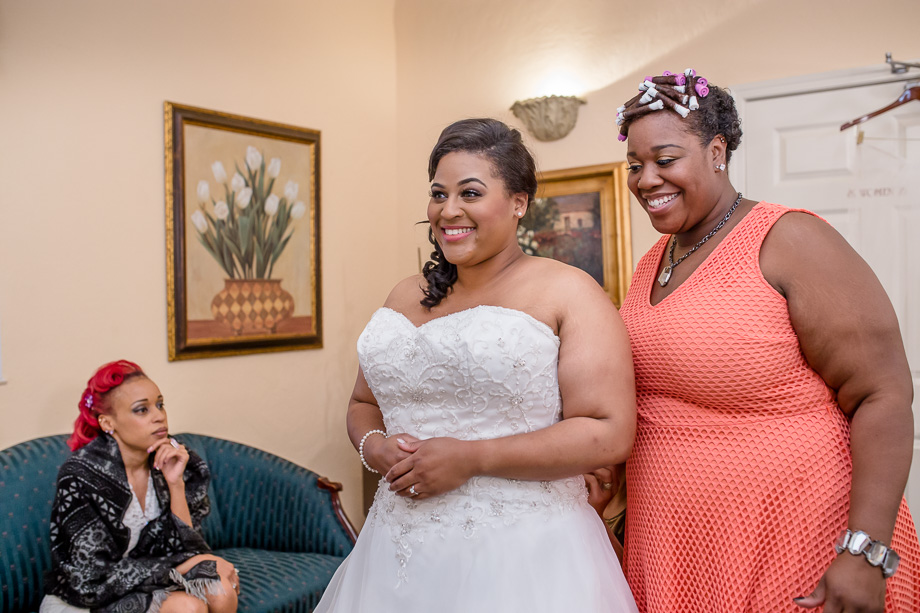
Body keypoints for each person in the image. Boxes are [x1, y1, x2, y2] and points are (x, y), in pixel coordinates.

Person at [613, 69, 920, 612]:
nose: (645, 179)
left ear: (716, 151)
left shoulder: (790, 240)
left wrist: (865, 550)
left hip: (794, 540)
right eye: (635, 165)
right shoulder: (649, 268)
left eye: (665, 160)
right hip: (679, 552)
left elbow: (884, 395)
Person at [315, 118, 639, 612]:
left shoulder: (568, 292)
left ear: (518, 202)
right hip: (395, 553)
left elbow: (608, 432)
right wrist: (373, 446)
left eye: (470, 192)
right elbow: (362, 403)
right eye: (438, 194)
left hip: (522, 554)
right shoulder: (404, 295)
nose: (449, 210)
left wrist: (473, 458)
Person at [41, 360, 240, 613]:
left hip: (148, 580)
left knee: (221, 592)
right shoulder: (81, 476)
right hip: (88, 598)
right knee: (188, 608)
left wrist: (175, 483)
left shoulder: (171, 459)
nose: (159, 416)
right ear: (107, 423)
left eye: (159, 404)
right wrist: (185, 566)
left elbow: (188, 549)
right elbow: (90, 581)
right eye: (141, 410)